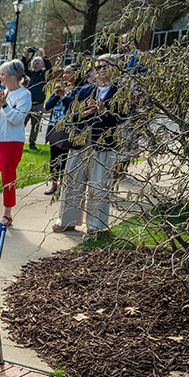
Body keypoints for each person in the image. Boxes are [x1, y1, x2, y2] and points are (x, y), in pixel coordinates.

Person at [53, 55, 123, 236]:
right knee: (72, 183)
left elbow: (121, 117)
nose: (102, 70)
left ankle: (96, 225)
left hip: (103, 144)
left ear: (116, 68)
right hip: (80, 143)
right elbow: (70, 115)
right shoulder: (84, 91)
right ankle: (67, 221)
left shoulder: (119, 92)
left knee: (99, 185)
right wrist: (83, 114)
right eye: (99, 67)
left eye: (106, 66)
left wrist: (103, 111)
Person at [0, 59, 32, 227]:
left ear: (13, 76)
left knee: (8, 179)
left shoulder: (24, 94)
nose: (0, 77)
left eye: (3, 74)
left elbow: (17, 119)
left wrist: (4, 105)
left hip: (12, 141)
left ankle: (7, 214)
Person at [43, 63, 81, 196]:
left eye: (68, 72)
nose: (64, 75)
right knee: (54, 158)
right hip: (54, 128)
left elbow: (73, 109)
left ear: (76, 74)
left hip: (67, 129)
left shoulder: (78, 90)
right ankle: (54, 184)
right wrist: (56, 94)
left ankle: (63, 185)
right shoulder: (59, 87)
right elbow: (47, 107)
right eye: (64, 73)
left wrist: (63, 97)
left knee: (65, 158)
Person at [23, 48, 54, 150]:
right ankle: (19, 141)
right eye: (35, 61)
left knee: (35, 126)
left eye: (39, 61)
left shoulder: (44, 75)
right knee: (21, 124)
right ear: (32, 64)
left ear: (42, 64)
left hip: (38, 105)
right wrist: (25, 55)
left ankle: (32, 143)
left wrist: (43, 55)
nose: (37, 62)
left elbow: (50, 69)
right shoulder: (29, 74)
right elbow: (23, 68)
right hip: (26, 104)